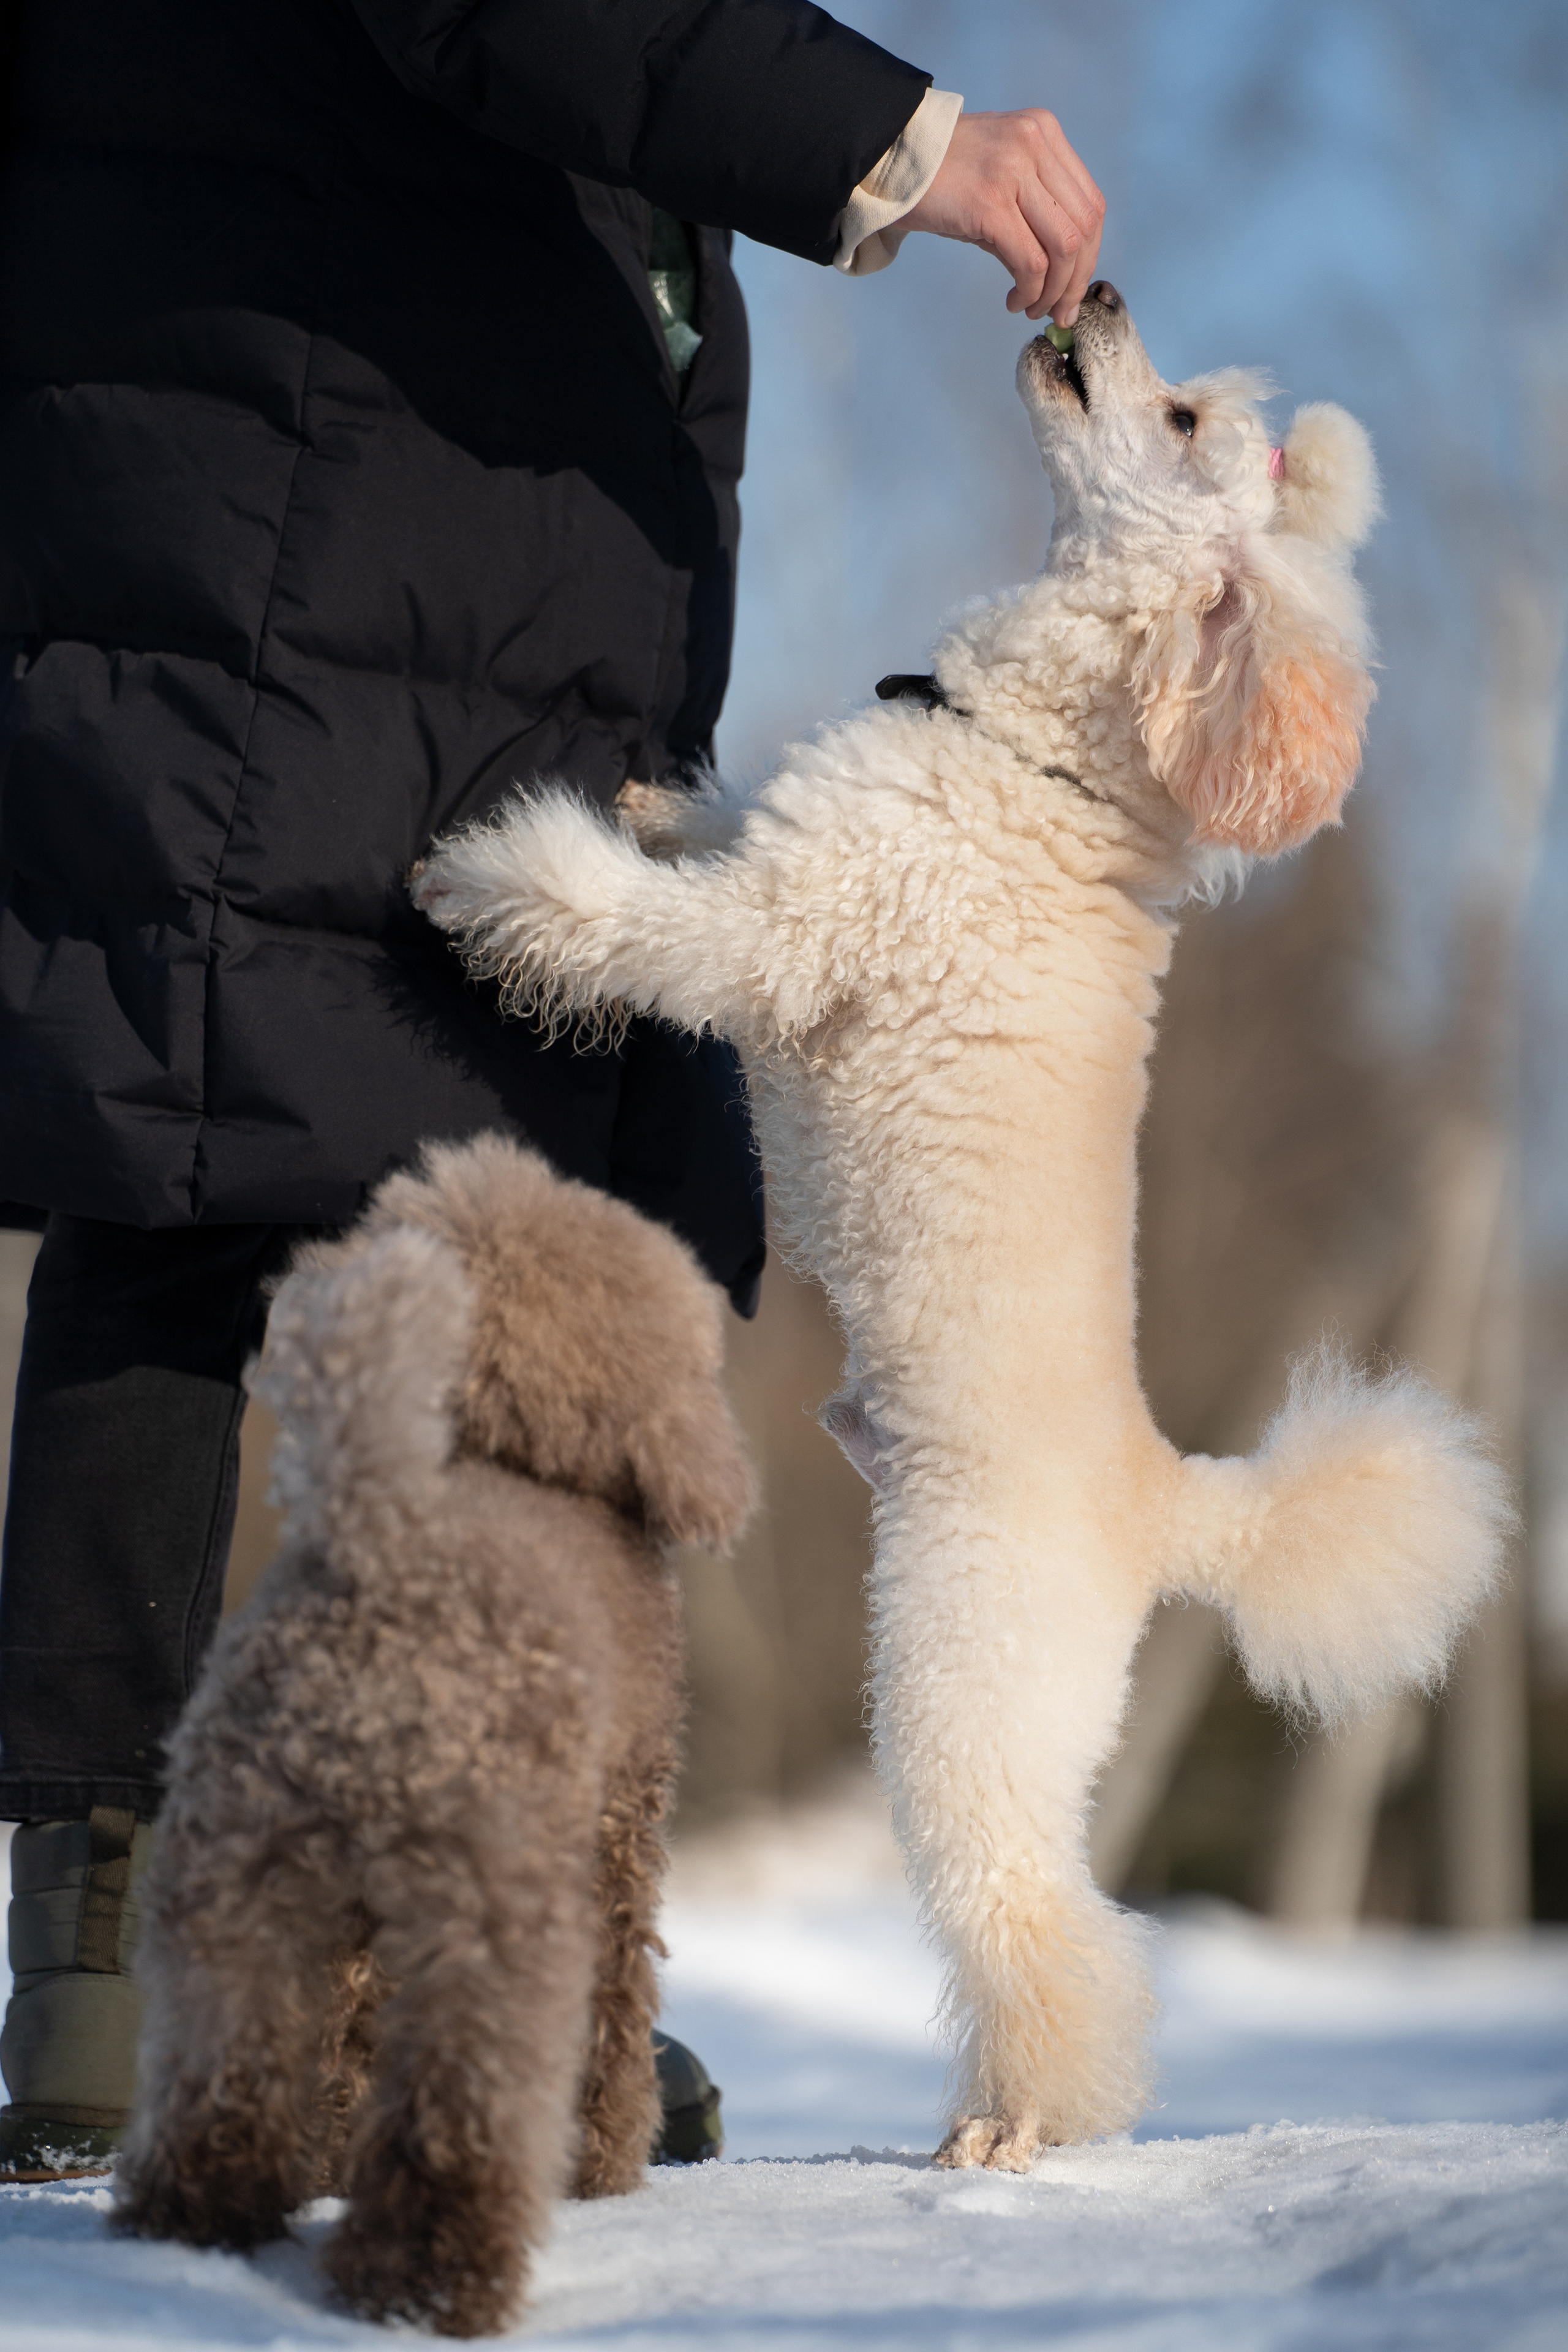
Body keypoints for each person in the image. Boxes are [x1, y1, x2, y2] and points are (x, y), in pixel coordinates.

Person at [0, 0, 1104, 2182]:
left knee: (418, 1209)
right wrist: (900, 139)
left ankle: (308, 1957)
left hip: (386, 493)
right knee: (246, 1180)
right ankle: (165, 1951)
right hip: (328, 474)